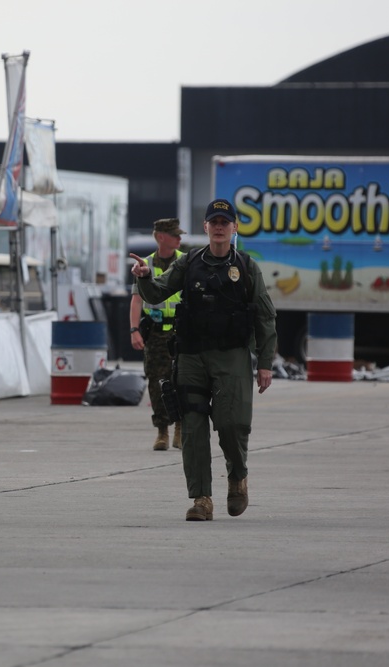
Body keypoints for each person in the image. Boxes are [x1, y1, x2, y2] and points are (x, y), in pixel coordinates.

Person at [130, 198, 277, 522]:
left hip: (232, 358)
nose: (220, 226)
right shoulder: (189, 264)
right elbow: (157, 293)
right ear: (206, 227)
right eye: (215, 221)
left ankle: (237, 478)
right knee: (194, 430)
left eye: (226, 221)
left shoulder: (247, 267)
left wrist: (265, 363)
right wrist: (143, 276)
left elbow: (265, 317)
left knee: (231, 425)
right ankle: (202, 499)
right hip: (192, 356)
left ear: (235, 227)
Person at [130, 217, 185, 451]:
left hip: (181, 331)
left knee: (183, 380)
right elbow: (136, 300)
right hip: (155, 332)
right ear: (161, 237)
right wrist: (134, 330)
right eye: (175, 234)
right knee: (156, 382)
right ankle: (162, 430)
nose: (179, 238)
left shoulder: (186, 262)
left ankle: (180, 428)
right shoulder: (146, 264)